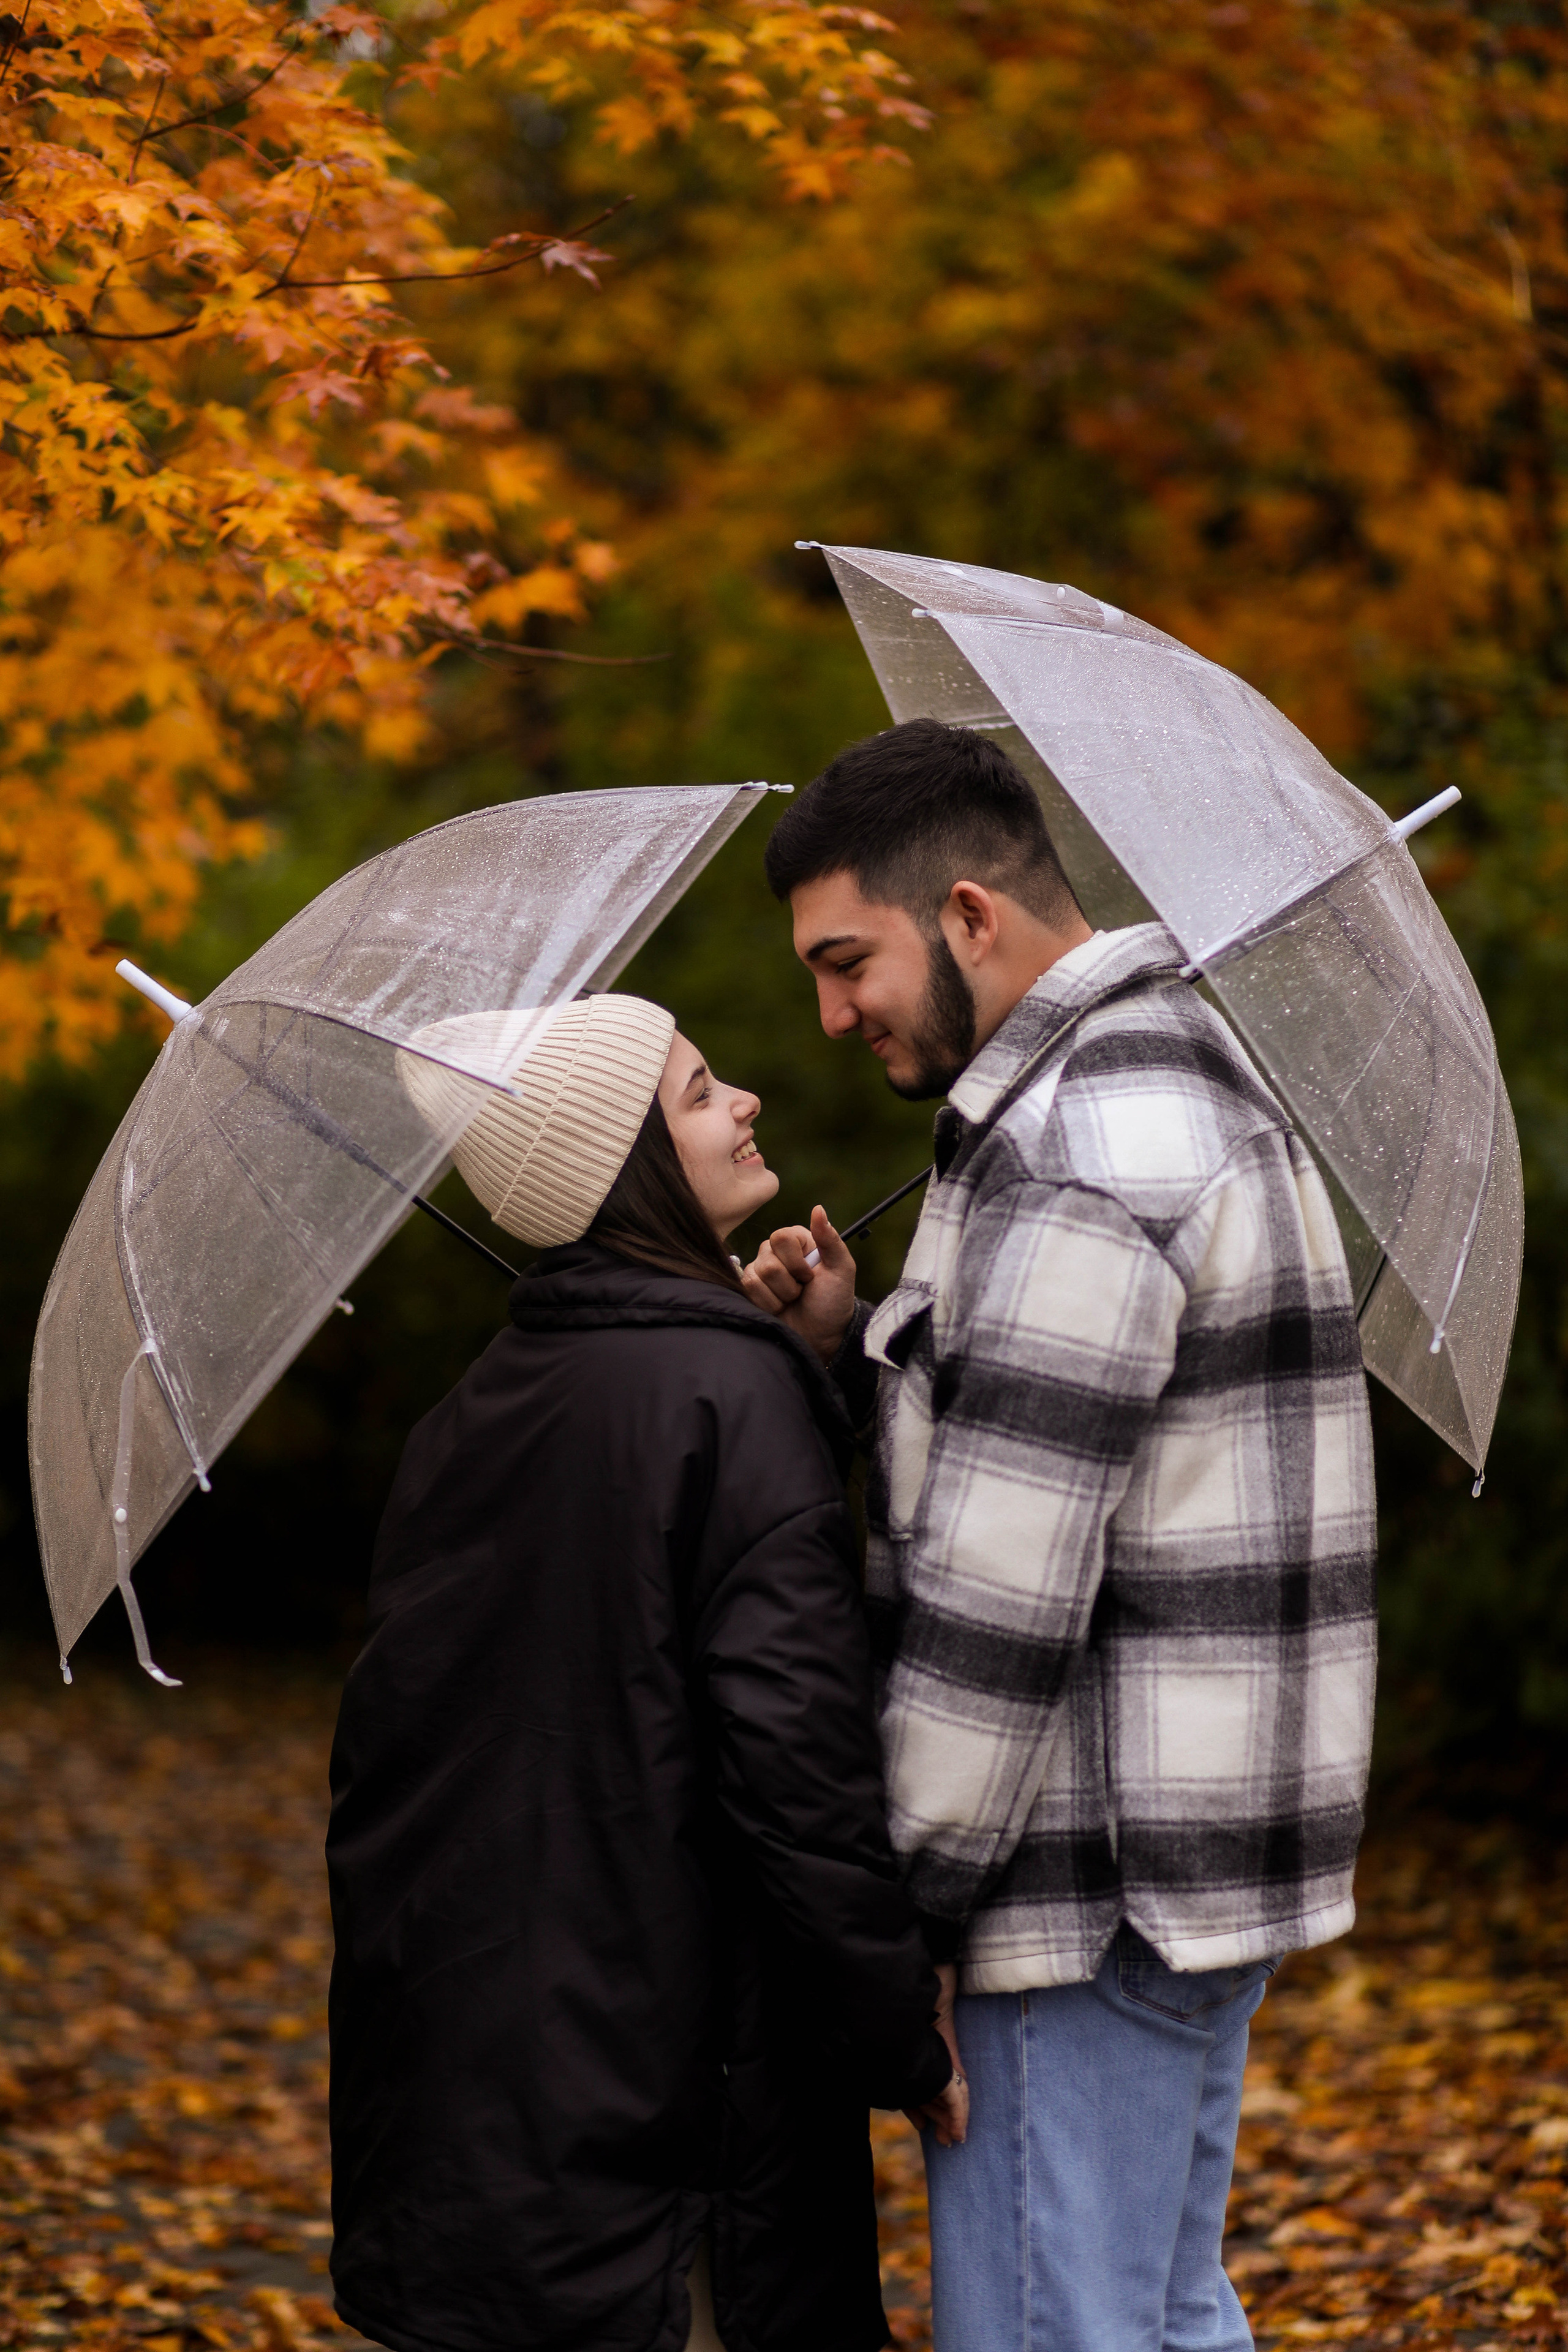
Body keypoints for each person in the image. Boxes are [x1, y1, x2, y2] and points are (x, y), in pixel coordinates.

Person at [744, 718, 1379, 2352]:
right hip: (1191, 1866)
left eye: (846, 960)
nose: (829, 1014)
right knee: (1162, 2319)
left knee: (1061, 2329)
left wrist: (910, 1925)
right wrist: (857, 1342)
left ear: (966, 916)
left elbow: (998, 1604)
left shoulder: (1072, 1154)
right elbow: (1065, 1455)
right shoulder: (1192, 1081)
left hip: (1073, 1888)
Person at [326, 990, 964, 2352]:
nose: (742, 1103)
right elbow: (798, 1774)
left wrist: (793, 1375)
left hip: (471, 2080)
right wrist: (899, 2036)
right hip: (670, 2102)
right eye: (694, 1092)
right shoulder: (721, 1400)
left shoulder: (472, 1410)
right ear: (618, 1169)